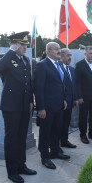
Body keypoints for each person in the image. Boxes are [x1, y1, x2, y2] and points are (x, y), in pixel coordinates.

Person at [0, 31, 37, 183]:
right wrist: (11, 51)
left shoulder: (25, 59)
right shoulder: (5, 57)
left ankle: (21, 165)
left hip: (25, 104)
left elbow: (29, 82)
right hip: (11, 105)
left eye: (25, 44)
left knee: (21, 137)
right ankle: (12, 171)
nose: (25, 47)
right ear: (14, 44)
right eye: (22, 44)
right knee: (12, 139)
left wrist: (31, 100)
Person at [34, 42, 69, 170]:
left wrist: (64, 99)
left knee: (56, 130)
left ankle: (55, 151)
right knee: (45, 132)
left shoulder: (59, 64)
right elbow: (38, 88)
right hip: (47, 107)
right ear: (48, 51)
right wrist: (41, 108)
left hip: (59, 105)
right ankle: (45, 157)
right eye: (56, 49)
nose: (59, 51)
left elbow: (62, 83)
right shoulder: (42, 65)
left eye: (59, 49)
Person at [59, 48, 78, 149]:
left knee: (66, 123)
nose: (70, 57)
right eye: (67, 55)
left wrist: (75, 98)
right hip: (61, 102)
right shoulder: (58, 68)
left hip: (70, 102)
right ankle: (55, 144)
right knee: (59, 124)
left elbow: (73, 85)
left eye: (70, 55)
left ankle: (64, 141)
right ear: (61, 56)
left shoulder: (71, 69)